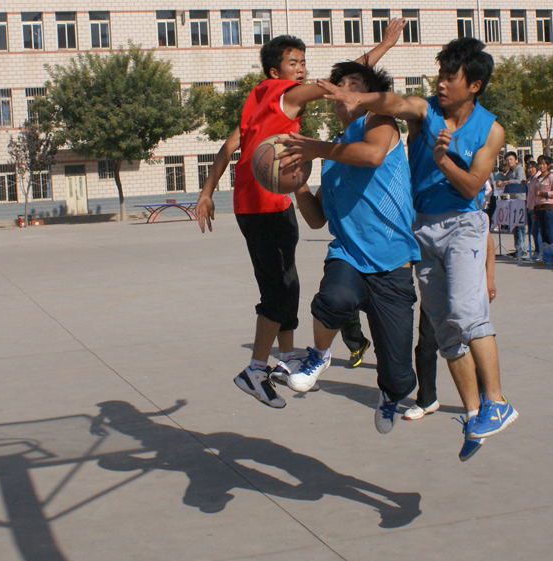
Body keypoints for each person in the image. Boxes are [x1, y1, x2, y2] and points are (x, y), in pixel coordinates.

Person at [320, 37, 518, 457]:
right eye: (439, 75)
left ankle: (497, 402)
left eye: (450, 77)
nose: (440, 83)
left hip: (463, 224)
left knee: (467, 313)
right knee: (446, 332)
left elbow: (471, 188)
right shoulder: (425, 111)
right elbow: (392, 102)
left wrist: (443, 161)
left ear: (474, 85)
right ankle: (474, 417)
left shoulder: (491, 130)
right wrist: (355, 94)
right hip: (422, 228)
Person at [194, 21, 405, 408]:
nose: (302, 69)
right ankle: (255, 368)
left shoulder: (256, 103)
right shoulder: (283, 94)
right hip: (261, 205)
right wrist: (383, 47)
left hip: (269, 204)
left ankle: (288, 355)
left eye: (304, 62)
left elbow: (228, 146)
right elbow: (334, 85)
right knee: (278, 293)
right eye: (294, 63)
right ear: (275, 71)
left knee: (288, 283)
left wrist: (207, 191)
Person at [274, 60, 420, 433]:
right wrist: (298, 186)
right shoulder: (334, 154)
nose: (343, 91)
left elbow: (371, 156)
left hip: (392, 263)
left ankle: (390, 394)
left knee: (400, 374)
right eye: (339, 85)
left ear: (369, 95)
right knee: (333, 298)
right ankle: (319, 355)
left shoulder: (379, 122)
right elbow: (316, 219)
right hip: (350, 257)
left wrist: (317, 149)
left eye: (353, 85)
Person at [404, 232, 496, 460]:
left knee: (473, 343)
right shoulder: (424, 216)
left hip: (467, 288)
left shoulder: (467, 214)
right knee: (426, 345)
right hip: (435, 287)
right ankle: (427, 400)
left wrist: (489, 276)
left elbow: (485, 238)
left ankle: (485, 401)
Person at [498, 151, 527, 257]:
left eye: (511, 159)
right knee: (515, 225)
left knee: (521, 225)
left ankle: (522, 248)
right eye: (507, 160)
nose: (509, 162)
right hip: (513, 200)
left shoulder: (519, 169)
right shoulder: (510, 171)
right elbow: (504, 179)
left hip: (521, 199)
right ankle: (517, 248)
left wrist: (507, 182)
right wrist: (500, 180)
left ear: (515, 160)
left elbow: (520, 180)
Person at [532, 154, 553, 248]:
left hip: (548, 208)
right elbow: (534, 195)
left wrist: (544, 194)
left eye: (544, 164)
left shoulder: (550, 176)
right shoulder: (538, 178)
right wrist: (534, 210)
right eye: (540, 164)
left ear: (548, 165)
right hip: (539, 209)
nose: (541, 166)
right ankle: (545, 253)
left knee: (549, 233)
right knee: (542, 233)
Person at [525, 160, 541, 259]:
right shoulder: (530, 179)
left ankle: (539, 252)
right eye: (528, 168)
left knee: (536, 231)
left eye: (532, 167)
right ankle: (538, 251)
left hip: (537, 207)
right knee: (533, 231)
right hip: (530, 207)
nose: (530, 170)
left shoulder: (538, 178)